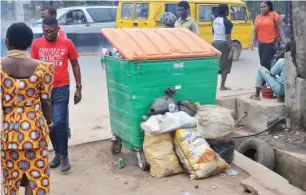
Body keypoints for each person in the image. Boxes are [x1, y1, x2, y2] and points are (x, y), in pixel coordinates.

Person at [1, 22, 53, 195]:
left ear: (7, 42)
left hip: (10, 132)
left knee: (12, 177)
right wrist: (49, 123)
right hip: (35, 129)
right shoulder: (43, 68)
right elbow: (46, 101)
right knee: (35, 177)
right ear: (29, 44)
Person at [31, 16, 82, 173]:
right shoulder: (36, 44)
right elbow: (33, 67)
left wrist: (79, 87)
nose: (48, 34)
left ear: (58, 29)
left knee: (59, 121)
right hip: (44, 90)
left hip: (61, 88)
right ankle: (58, 154)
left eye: (52, 31)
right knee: (49, 123)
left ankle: (65, 156)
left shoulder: (67, 43)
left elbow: (75, 64)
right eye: (45, 31)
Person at [41, 6, 72, 139]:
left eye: (46, 16)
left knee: (59, 117)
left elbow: (66, 54)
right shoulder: (44, 35)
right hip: (47, 85)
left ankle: (65, 130)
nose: (44, 19)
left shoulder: (61, 34)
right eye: (42, 17)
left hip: (60, 83)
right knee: (54, 116)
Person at [250, 1, 286, 71]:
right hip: (260, 44)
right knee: (263, 63)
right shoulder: (258, 17)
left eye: (264, 6)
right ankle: (268, 79)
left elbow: (280, 29)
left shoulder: (274, 15)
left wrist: (284, 41)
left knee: (265, 63)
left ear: (269, 7)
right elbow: (254, 31)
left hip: (270, 44)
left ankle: (265, 80)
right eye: (261, 7)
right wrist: (252, 42)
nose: (262, 8)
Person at [212, 4, 233, 90]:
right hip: (223, 43)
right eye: (228, 10)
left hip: (214, 43)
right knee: (225, 65)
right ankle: (222, 86)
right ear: (225, 11)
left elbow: (214, 32)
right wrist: (231, 50)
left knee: (215, 65)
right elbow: (228, 37)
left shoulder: (214, 20)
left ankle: (213, 84)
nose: (229, 11)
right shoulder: (227, 22)